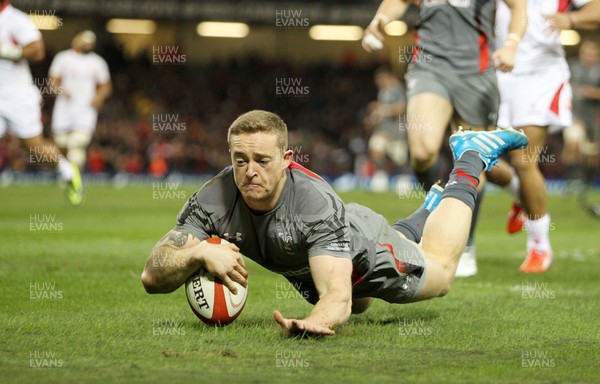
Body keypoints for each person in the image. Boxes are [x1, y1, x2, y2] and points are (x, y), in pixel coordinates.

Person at [141, 110, 528, 336]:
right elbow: (152, 275)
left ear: (288, 159)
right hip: (319, 249)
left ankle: (472, 156)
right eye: (240, 160)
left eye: (262, 160)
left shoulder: (312, 203)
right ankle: (426, 209)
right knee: (363, 306)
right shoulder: (213, 199)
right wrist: (198, 253)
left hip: (362, 248)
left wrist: (312, 322)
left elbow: (338, 297)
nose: (249, 172)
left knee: (440, 274)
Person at [362, 0, 528, 277]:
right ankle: (436, 215)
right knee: (422, 152)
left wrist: (511, 43)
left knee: (476, 160)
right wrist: (380, 20)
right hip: (430, 67)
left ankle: (466, 244)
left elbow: (519, 6)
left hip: (476, 71)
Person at [494, 1, 600, 274]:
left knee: (523, 160)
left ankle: (539, 245)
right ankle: (522, 193)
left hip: (540, 76)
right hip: (498, 69)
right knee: (478, 155)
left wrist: (572, 20)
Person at [0, 0, 83, 205]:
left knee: (34, 147)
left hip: (16, 96)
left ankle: (66, 170)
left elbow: (37, 51)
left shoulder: (16, 19)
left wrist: (9, 51)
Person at [49, 30, 112, 171]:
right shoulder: (63, 58)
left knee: (78, 143)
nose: (88, 46)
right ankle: (64, 173)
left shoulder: (97, 62)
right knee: (61, 143)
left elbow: (106, 86)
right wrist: (60, 91)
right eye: (85, 42)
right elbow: (53, 81)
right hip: (64, 108)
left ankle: (74, 178)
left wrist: (98, 97)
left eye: (90, 43)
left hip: (85, 109)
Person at [363, 66, 408, 192]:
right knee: (376, 147)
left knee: (399, 158)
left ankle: (403, 179)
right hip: (383, 128)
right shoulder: (382, 91)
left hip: (397, 129)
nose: (379, 83)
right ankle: (380, 176)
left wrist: (383, 110)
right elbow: (381, 110)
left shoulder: (398, 89)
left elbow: (402, 108)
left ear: (387, 77)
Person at [563, 39, 600, 187]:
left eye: (592, 53)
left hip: (593, 118)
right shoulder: (572, 67)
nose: (589, 56)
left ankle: (585, 181)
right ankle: (573, 180)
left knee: (589, 153)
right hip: (574, 116)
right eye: (586, 52)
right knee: (573, 144)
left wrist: (593, 93)